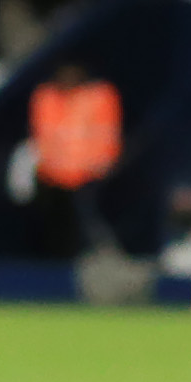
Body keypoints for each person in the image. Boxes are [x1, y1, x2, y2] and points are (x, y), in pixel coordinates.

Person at [27, 60, 122, 260]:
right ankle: (60, 260)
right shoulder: (47, 97)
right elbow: (44, 135)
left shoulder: (98, 96)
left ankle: (104, 258)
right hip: (54, 176)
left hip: (89, 174)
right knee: (57, 224)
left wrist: (102, 164)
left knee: (89, 219)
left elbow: (105, 134)